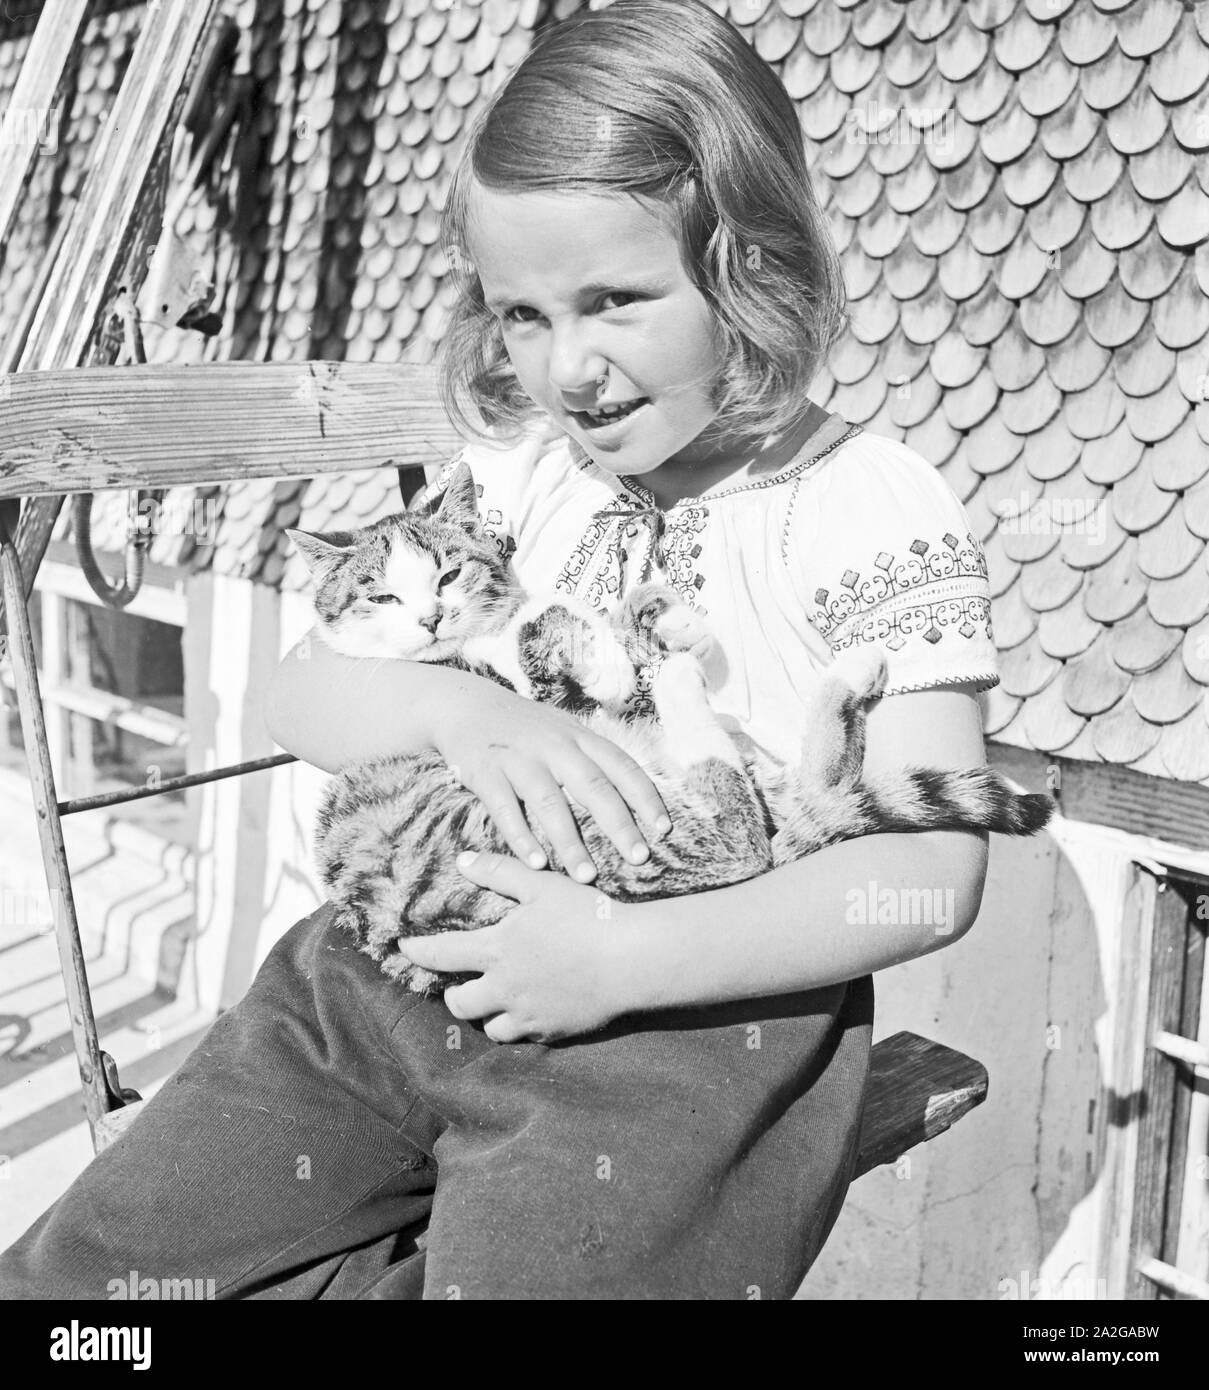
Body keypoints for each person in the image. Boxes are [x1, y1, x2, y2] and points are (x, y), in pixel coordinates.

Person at [0, 0, 998, 1300]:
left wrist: (623, 959)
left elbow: (930, 871)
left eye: (614, 302)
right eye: (520, 316)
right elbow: (306, 690)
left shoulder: (868, 504)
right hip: (386, 974)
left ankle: (704, 1158)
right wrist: (465, 716)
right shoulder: (529, 472)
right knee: (80, 1296)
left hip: (676, 1028)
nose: (566, 367)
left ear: (749, 266)